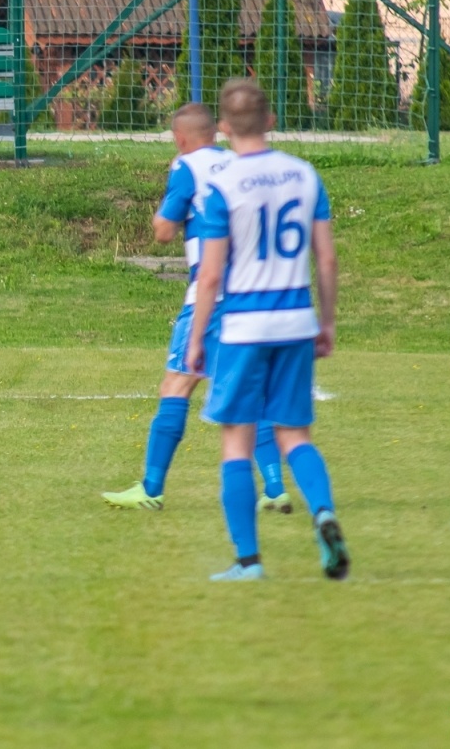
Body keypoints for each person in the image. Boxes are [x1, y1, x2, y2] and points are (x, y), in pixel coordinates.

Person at [186, 79, 349, 582]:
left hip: (243, 325)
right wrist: (326, 321)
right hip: (296, 319)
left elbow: (211, 274)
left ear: (224, 128)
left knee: (236, 441)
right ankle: (322, 511)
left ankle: (249, 561)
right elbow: (326, 257)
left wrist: (196, 339)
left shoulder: (224, 186)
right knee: (294, 434)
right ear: (272, 119)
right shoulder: (304, 174)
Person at [103, 103, 291, 513]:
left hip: (211, 296)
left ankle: (151, 488)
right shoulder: (239, 163)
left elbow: (164, 232)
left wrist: (167, 210)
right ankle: (276, 488)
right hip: (253, 295)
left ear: (181, 138)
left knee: (176, 385)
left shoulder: (187, 167)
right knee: (249, 393)